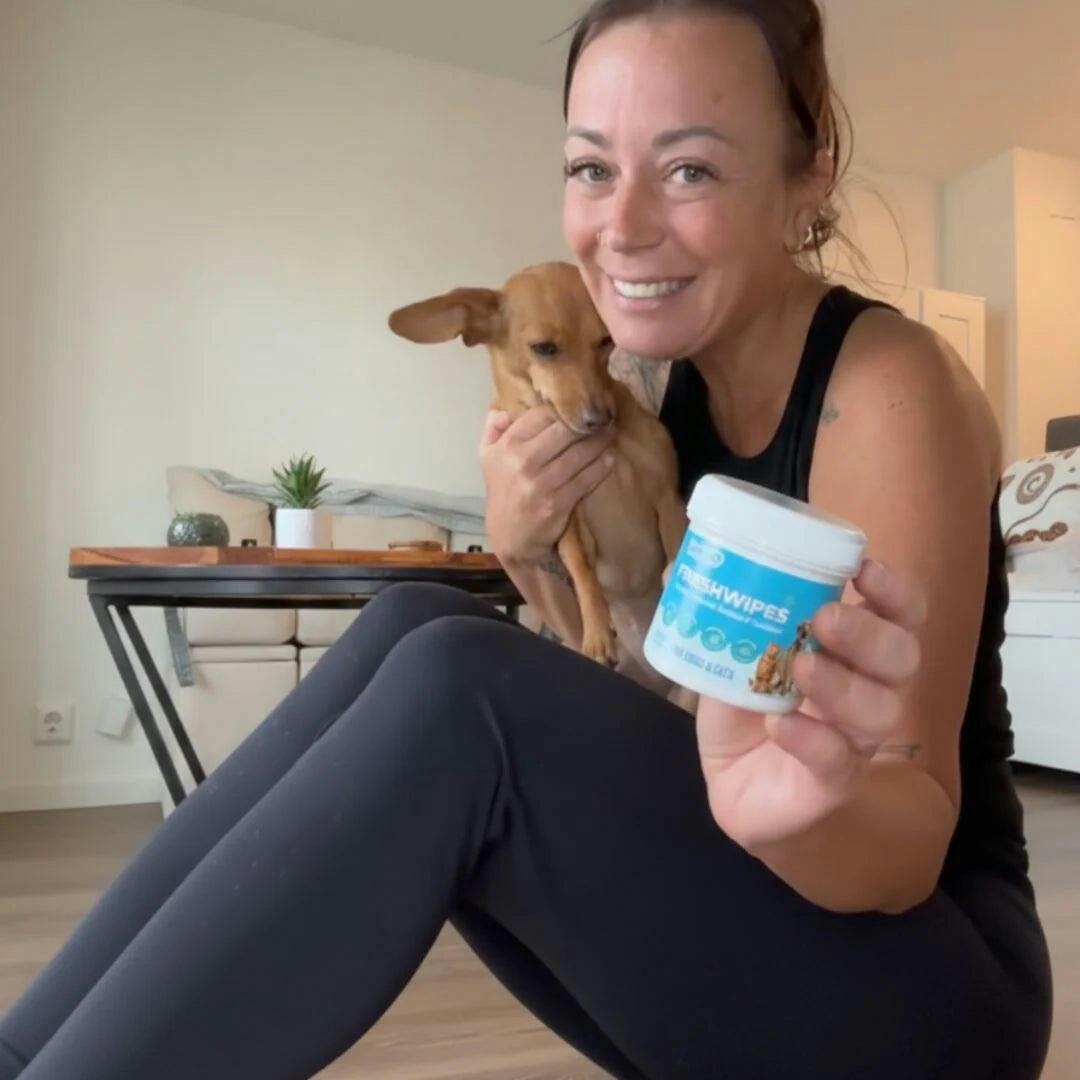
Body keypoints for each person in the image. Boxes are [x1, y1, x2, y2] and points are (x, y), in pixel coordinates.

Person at [0, 2, 1053, 1077]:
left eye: (689, 169)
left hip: (925, 991)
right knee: (417, 618)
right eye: (591, 168)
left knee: (461, 681)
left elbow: (905, 847)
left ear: (807, 176)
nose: (621, 227)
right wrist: (523, 549)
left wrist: (788, 812)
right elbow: (643, 685)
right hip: (751, 897)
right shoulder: (661, 393)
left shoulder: (882, 391)